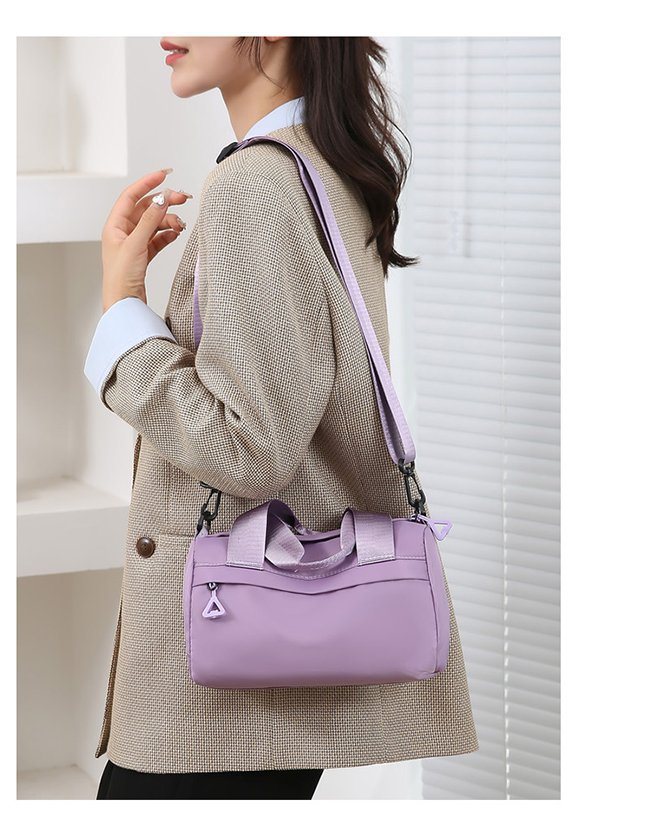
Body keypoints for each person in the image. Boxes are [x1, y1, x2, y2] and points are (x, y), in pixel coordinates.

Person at [84, 35, 479, 801]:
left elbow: (249, 446)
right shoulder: (323, 166)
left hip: (229, 675)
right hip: (278, 645)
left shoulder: (258, 184)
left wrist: (122, 312)